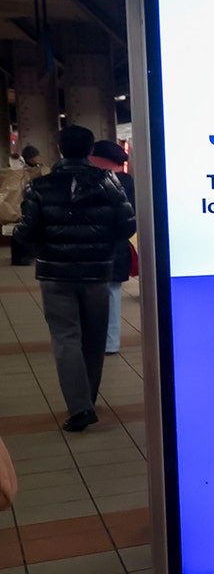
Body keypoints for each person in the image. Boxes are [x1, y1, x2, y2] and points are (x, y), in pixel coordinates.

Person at [13, 126, 136, 432]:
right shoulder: (110, 184)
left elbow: (25, 233)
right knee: (94, 339)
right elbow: (126, 226)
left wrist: (44, 247)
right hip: (97, 272)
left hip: (55, 274)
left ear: (59, 147)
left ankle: (79, 407)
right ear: (89, 148)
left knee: (66, 338)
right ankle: (87, 402)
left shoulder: (40, 187)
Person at [89, 140, 135, 355]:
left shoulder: (97, 182)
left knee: (97, 295)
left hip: (97, 248)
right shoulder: (128, 183)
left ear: (100, 160)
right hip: (117, 248)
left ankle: (99, 341)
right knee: (112, 295)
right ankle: (110, 342)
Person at [9, 146, 45, 266]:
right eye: (37, 156)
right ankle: (24, 257)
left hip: (16, 206)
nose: (39, 158)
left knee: (17, 231)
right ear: (31, 158)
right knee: (28, 229)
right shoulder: (30, 172)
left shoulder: (17, 170)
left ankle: (18, 258)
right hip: (26, 204)